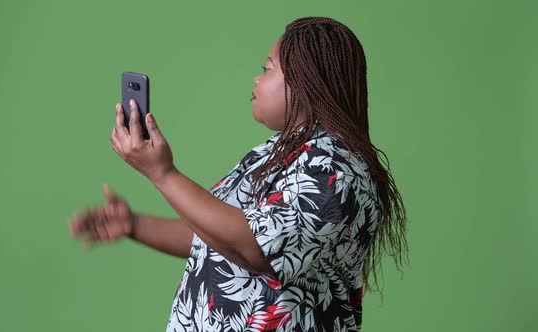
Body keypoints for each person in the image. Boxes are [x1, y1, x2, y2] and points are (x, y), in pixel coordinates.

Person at [68, 16, 408, 332]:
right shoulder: (275, 152)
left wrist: (162, 174)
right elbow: (218, 238)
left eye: (267, 68)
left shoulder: (337, 169)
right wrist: (135, 225)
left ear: (307, 82)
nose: (257, 78)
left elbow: (255, 248)